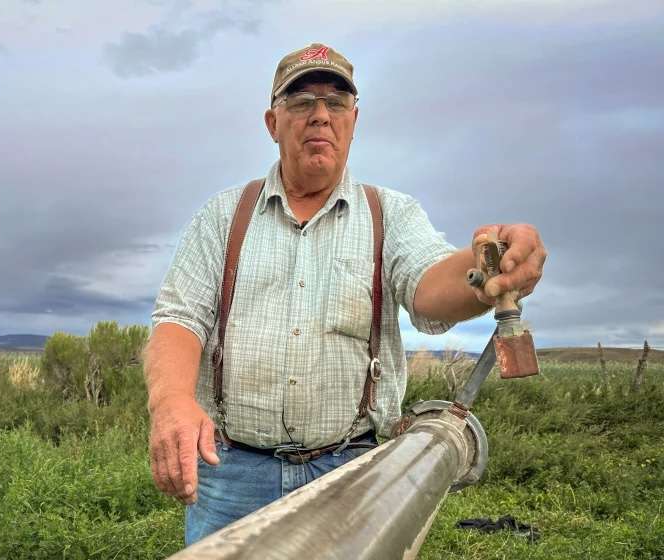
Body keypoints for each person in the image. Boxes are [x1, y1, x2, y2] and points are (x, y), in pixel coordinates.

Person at [144, 43, 547, 545]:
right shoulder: (223, 216)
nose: (320, 115)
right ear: (273, 122)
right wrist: (173, 402)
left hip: (352, 474)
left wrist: (486, 269)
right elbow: (179, 319)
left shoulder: (390, 215)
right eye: (301, 101)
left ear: (354, 121)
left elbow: (428, 286)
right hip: (229, 475)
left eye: (336, 103)